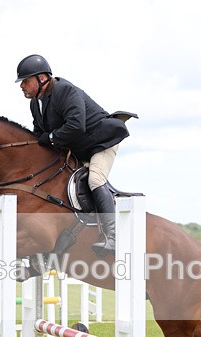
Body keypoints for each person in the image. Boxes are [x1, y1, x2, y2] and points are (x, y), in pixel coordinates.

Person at [15, 54, 130, 255]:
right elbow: (38, 133)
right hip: (81, 147)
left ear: (42, 78)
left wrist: (49, 138)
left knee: (95, 180)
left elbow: (76, 126)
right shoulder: (36, 103)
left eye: (25, 81)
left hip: (101, 142)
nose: (21, 86)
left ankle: (113, 237)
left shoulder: (65, 90)